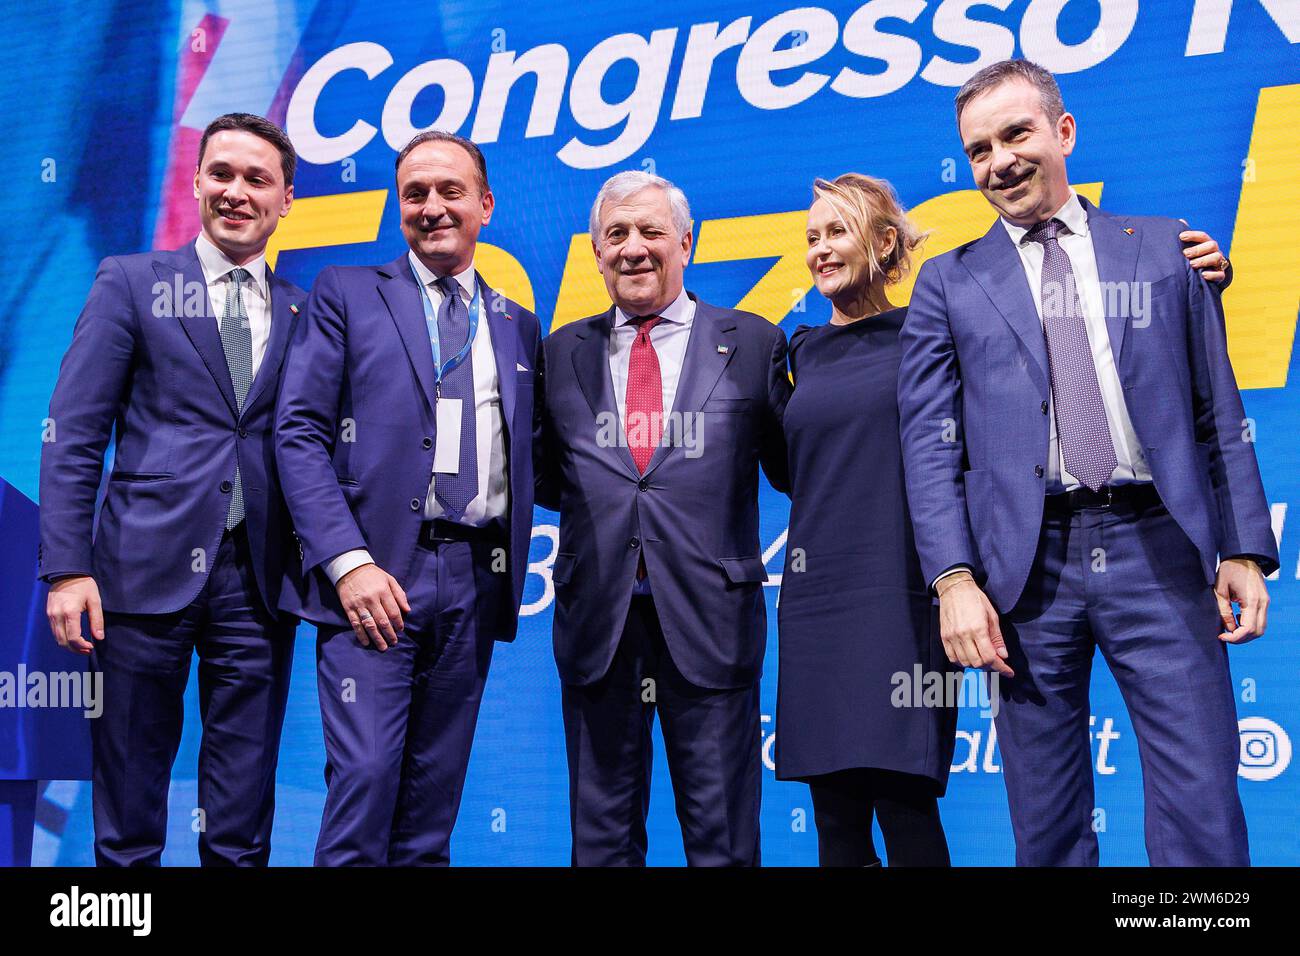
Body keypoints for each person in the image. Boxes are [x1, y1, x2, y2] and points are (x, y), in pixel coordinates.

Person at [897, 58, 1276, 866]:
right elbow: (929, 447)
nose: (998, 161)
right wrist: (954, 581)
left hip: (1160, 549)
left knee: (1201, 800)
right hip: (1021, 573)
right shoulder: (947, 283)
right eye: (978, 150)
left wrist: (1242, 545)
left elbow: (1218, 411)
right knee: (1047, 815)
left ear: (1063, 132)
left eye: (1015, 134)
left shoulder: (1168, 249)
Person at [39, 113, 305, 866]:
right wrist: (66, 567)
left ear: (286, 198)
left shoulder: (304, 309)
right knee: (126, 813)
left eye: (257, 179)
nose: (235, 191)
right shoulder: (130, 282)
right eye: (220, 173)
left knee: (242, 818)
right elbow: (73, 432)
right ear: (195, 182)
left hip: (259, 582)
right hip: (134, 576)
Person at [274, 130, 542, 865]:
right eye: (415, 193)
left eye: (450, 191)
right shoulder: (346, 293)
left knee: (432, 807)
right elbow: (297, 434)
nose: (431, 207)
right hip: (374, 575)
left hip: (473, 581)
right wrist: (347, 561)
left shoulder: (518, 324)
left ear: (485, 204)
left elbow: (537, 456)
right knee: (364, 782)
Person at [538, 170, 790, 866]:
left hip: (711, 623)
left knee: (723, 840)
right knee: (601, 843)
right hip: (598, 629)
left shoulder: (753, 344)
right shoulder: (561, 353)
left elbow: (797, 470)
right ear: (595, 253)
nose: (633, 249)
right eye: (615, 235)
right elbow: (546, 476)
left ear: (686, 242)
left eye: (651, 232)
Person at [777, 173, 956, 867]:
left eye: (837, 232)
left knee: (905, 805)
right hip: (816, 600)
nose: (821, 249)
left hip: (903, 594)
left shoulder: (930, 332)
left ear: (885, 242)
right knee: (835, 819)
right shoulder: (795, 352)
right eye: (812, 237)